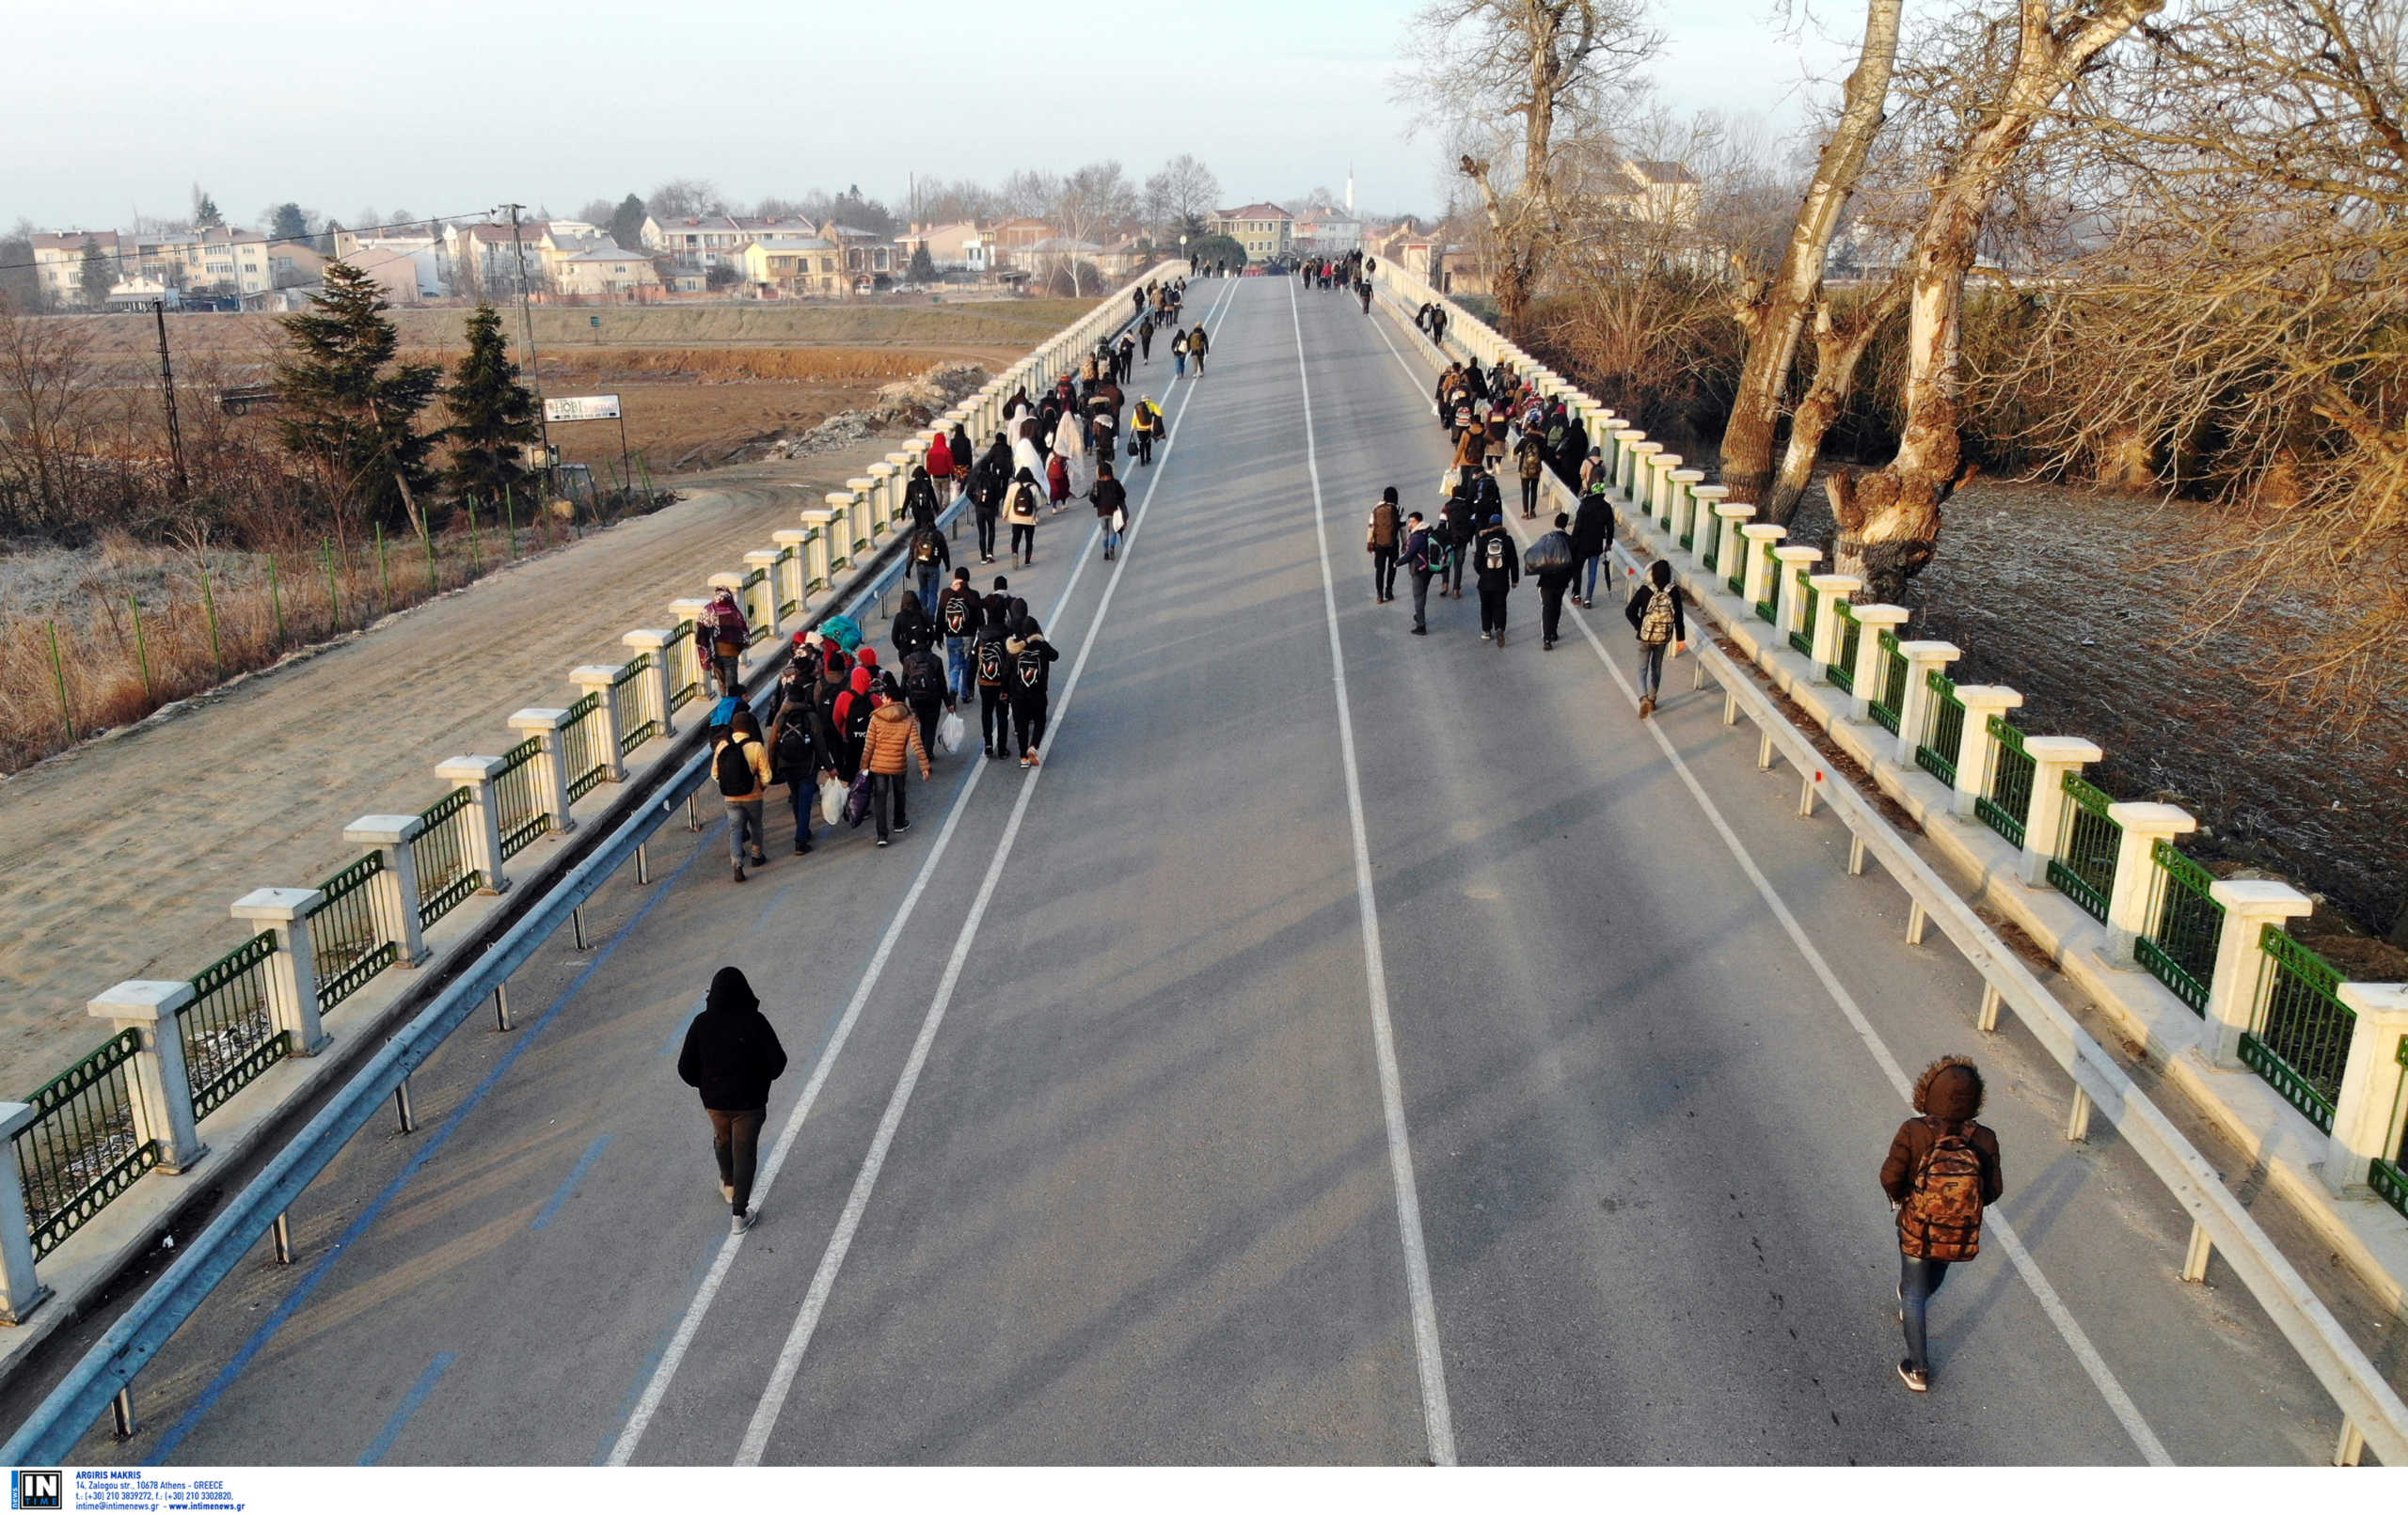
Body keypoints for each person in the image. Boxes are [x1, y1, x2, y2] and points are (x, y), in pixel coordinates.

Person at [1881, 1056, 2004, 1394]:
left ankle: (1918, 1368)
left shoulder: (1914, 1130)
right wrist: (1959, 1207)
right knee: (1933, 1275)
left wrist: (1904, 1198)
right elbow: (1994, 1191)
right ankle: (1916, 1298)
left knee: (1913, 1292)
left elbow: (1890, 1176)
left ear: (1927, 1090)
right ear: (1976, 1098)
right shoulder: (1985, 1139)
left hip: (1916, 1228)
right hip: (1956, 1234)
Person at [676, 966, 787, 1235]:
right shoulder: (755, 1021)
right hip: (749, 1103)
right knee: (745, 1150)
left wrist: (704, 1086)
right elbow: (778, 1063)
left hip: (715, 1102)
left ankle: (728, 1184)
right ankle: (739, 1215)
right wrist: (760, 1081)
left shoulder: (701, 1023)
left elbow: (685, 1068)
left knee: (722, 1138)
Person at [859, 674, 933, 847]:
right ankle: (899, 822)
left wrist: (864, 766)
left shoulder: (876, 718)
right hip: (898, 764)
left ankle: (882, 835)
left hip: (878, 765)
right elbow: (917, 744)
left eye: (883, 696)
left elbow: (868, 746)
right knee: (900, 792)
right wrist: (924, 766)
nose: (881, 699)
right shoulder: (908, 719)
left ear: (889, 698)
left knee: (880, 797)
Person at [767, 659, 827, 856]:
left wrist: (771, 765)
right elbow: (819, 744)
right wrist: (829, 766)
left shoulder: (780, 717)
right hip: (807, 765)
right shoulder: (810, 716)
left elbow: (773, 742)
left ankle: (803, 830)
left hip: (786, 764)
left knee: (796, 797)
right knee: (805, 800)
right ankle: (801, 839)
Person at [1623, 559, 1688, 718]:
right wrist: (1680, 639)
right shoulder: (1673, 591)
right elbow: (1678, 617)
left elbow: (1629, 611)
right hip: (1663, 638)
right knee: (1656, 668)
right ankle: (1652, 699)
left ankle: (1643, 697)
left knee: (1641, 668)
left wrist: (1641, 628)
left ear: (1652, 573)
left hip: (1645, 637)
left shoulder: (1646, 589)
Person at [712, 707, 771, 882]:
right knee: (756, 825)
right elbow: (766, 775)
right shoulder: (756, 746)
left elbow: (715, 774)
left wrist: (729, 785)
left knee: (735, 830)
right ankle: (756, 854)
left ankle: (737, 863)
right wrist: (761, 786)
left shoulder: (722, 746)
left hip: (731, 798)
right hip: (753, 796)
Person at [1006, 616, 1060, 767]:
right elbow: (1055, 656)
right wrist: (1042, 642)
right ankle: (1033, 746)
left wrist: (1005, 691)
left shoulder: (1014, 647)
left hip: (1018, 694)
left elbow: (1007, 671)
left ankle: (1023, 758)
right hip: (1038, 692)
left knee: (1021, 724)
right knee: (1040, 720)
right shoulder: (1040, 645)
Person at [1529, 512, 1578, 650]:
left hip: (1546, 582)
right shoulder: (1571, 541)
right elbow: (1575, 564)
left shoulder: (1547, 539)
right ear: (1566, 524)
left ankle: (1546, 639)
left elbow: (1538, 557)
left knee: (1547, 608)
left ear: (1555, 523)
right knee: (1557, 607)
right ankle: (1554, 632)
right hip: (1562, 582)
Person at [1471, 513, 1520, 647]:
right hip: (1501, 581)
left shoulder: (1483, 540)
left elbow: (1477, 563)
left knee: (1485, 606)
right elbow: (1514, 561)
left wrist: (1482, 573)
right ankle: (1499, 628)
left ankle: (1486, 631)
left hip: (1485, 582)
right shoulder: (1508, 540)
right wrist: (1515, 579)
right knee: (1500, 605)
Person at [936, 566, 982, 702]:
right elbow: (979, 616)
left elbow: (940, 616)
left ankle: (953, 688)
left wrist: (938, 636)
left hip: (951, 636)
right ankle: (965, 694)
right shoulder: (973, 594)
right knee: (967, 664)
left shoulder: (945, 593)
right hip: (969, 635)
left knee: (954, 665)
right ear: (967, 580)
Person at [972, 615, 1012, 759]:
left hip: (985, 682)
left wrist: (970, 684)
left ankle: (988, 745)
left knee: (986, 712)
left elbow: (973, 658)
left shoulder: (981, 634)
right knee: (1002, 714)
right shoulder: (1007, 634)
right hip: (1001, 682)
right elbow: (1010, 661)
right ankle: (1002, 748)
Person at [1571, 482, 1616, 608]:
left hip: (1582, 545)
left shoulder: (1584, 505)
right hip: (1596, 545)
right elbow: (1610, 528)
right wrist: (1609, 543)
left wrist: (1573, 541)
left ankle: (1576, 594)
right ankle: (1588, 599)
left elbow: (1577, 526)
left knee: (1577, 570)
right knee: (1592, 573)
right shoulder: (1607, 507)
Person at [703, 588, 748, 699]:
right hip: (731, 653)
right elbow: (743, 632)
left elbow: (702, 634)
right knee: (732, 683)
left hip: (716, 654)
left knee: (721, 682)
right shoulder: (734, 611)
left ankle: (725, 704)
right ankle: (732, 706)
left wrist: (706, 655)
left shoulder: (709, 610)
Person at [1402, 511, 1439, 635]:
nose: (1409, 524)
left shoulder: (1417, 536)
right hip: (1428, 568)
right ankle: (1419, 616)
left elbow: (1409, 554)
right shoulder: (1428, 530)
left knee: (1418, 596)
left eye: (1412, 522)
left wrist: (1396, 563)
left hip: (1418, 569)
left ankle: (1421, 625)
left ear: (1418, 522)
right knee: (1423, 593)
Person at [906, 513, 951, 616]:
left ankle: (923, 614)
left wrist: (908, 568)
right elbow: (944, 551)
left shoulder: (918, 534)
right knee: (933, 593)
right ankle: (931, 616)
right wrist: (947, 564)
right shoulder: (938, 534)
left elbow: (911, 552)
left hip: (920, 567)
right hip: (934, 567)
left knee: (922, 590)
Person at [1439, 485, 1477, 600]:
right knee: (1458, 564)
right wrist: (1469, 537)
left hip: (1449, 539)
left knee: (1446, 562)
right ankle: (1456, 590)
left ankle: (1445, 585)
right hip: (1462, 540)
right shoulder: (1468, 507)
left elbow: (1441, 523)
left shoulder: (1446, 507)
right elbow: (1473, 523)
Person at [1366, 486, 1402, 603]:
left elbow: (1371, 527)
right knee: (1392, 567)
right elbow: (1403, 528)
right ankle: (1389, 591)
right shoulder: (1399, 508)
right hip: (1393, 543)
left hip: (1379, 543)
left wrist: (1369, 542)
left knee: (1380, 569)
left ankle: (1379, 595)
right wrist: (1405, 543)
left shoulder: (1376, 508)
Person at [1005, 467, 1042, 565]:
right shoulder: (1034, 487)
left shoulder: (1012, 487)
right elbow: (1039, 504)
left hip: (1016, 518)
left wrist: (1005, 514)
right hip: (1029, 519)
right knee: (1029, 540)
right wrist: (1035, 511)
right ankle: (1027, 561)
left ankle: (1015, 553)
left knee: (1015, 539)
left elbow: (1007, 502)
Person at [1093, 461, 1129, 560]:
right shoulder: (1115, 483)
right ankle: (1112, 547)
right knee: (1112, 532)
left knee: (1104, 532)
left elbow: (1093, 498)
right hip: (1112, 511)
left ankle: (1105, 552)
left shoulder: (1097, 484)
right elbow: (1123, 495)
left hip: (1101, 513)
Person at [891, 593, 938, 664]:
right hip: (923, 650)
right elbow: (932, 633)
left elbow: (894, 638)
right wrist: (928, 647)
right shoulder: (923, 613)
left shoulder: (899, 617)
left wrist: (902, 648)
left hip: (906, 653)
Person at [1515, 430, 1547, 519]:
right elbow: (1544, 455)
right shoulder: (1540, 441)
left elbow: (1515, 451)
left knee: (1525, 492)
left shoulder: (1524, 441)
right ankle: (1532, 511)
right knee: (1534, 491)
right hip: (1536, 471)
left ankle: (1525, 513)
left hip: (1524, 470)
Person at [1130, 395, 1160, 466]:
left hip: (1140, 429)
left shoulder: (1137, 407)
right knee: (1148, 443)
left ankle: (1142, 460)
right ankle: (1148, 457)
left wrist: (1132, 428)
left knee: (1141, 444)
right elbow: (1159, 413)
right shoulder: (1152, 405)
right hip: (1148, 428)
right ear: (1149, 399)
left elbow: (1134, 418)